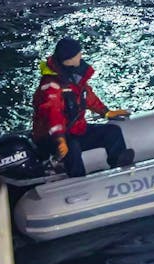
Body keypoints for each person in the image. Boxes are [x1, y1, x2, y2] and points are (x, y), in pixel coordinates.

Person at [32, 37, 134, 177]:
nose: (81, 55)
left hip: (75, 129)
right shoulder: (51, 86)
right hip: (52, 137)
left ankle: (119, 166)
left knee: (112, 131)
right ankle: (78, 181)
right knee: (72, 147)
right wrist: (60, 139)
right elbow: (52, 115)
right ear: (69, 57)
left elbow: (87, 97)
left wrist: (106, 112)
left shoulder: (74, 76)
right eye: (78, 53)